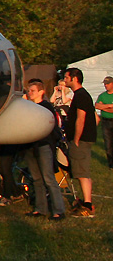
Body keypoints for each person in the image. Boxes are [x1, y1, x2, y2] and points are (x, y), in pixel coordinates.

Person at [23, 78, 66, 219]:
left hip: (43, 145)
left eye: (33, 91)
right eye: (29, 90)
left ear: (41, 92)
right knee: (36, 179)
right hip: (30, 145)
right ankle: (40, 208)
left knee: (48, 178)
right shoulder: (27, 107)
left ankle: (58, 210)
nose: (30, 93)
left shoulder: (46, 107)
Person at [62, 68, 97, 216]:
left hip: (80, 140)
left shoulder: (81, 95)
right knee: (82, 171)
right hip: (83, 139)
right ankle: (87, 201)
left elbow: (81, 119)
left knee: (81, 171)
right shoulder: (81, 95)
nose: (65, 80)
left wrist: (76, 139)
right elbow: (96, 118)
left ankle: (87, 205)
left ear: (74, 78)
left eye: (66, 77)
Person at [95, 76, 113, 169]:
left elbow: (101, 107)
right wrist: (110, 106)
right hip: (106, 121)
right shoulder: (102, 95)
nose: (106, 86)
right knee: (108, 142)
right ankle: (111, 163)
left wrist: (104, 107)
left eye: (108, 84)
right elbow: (97, 106)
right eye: (105, 84)